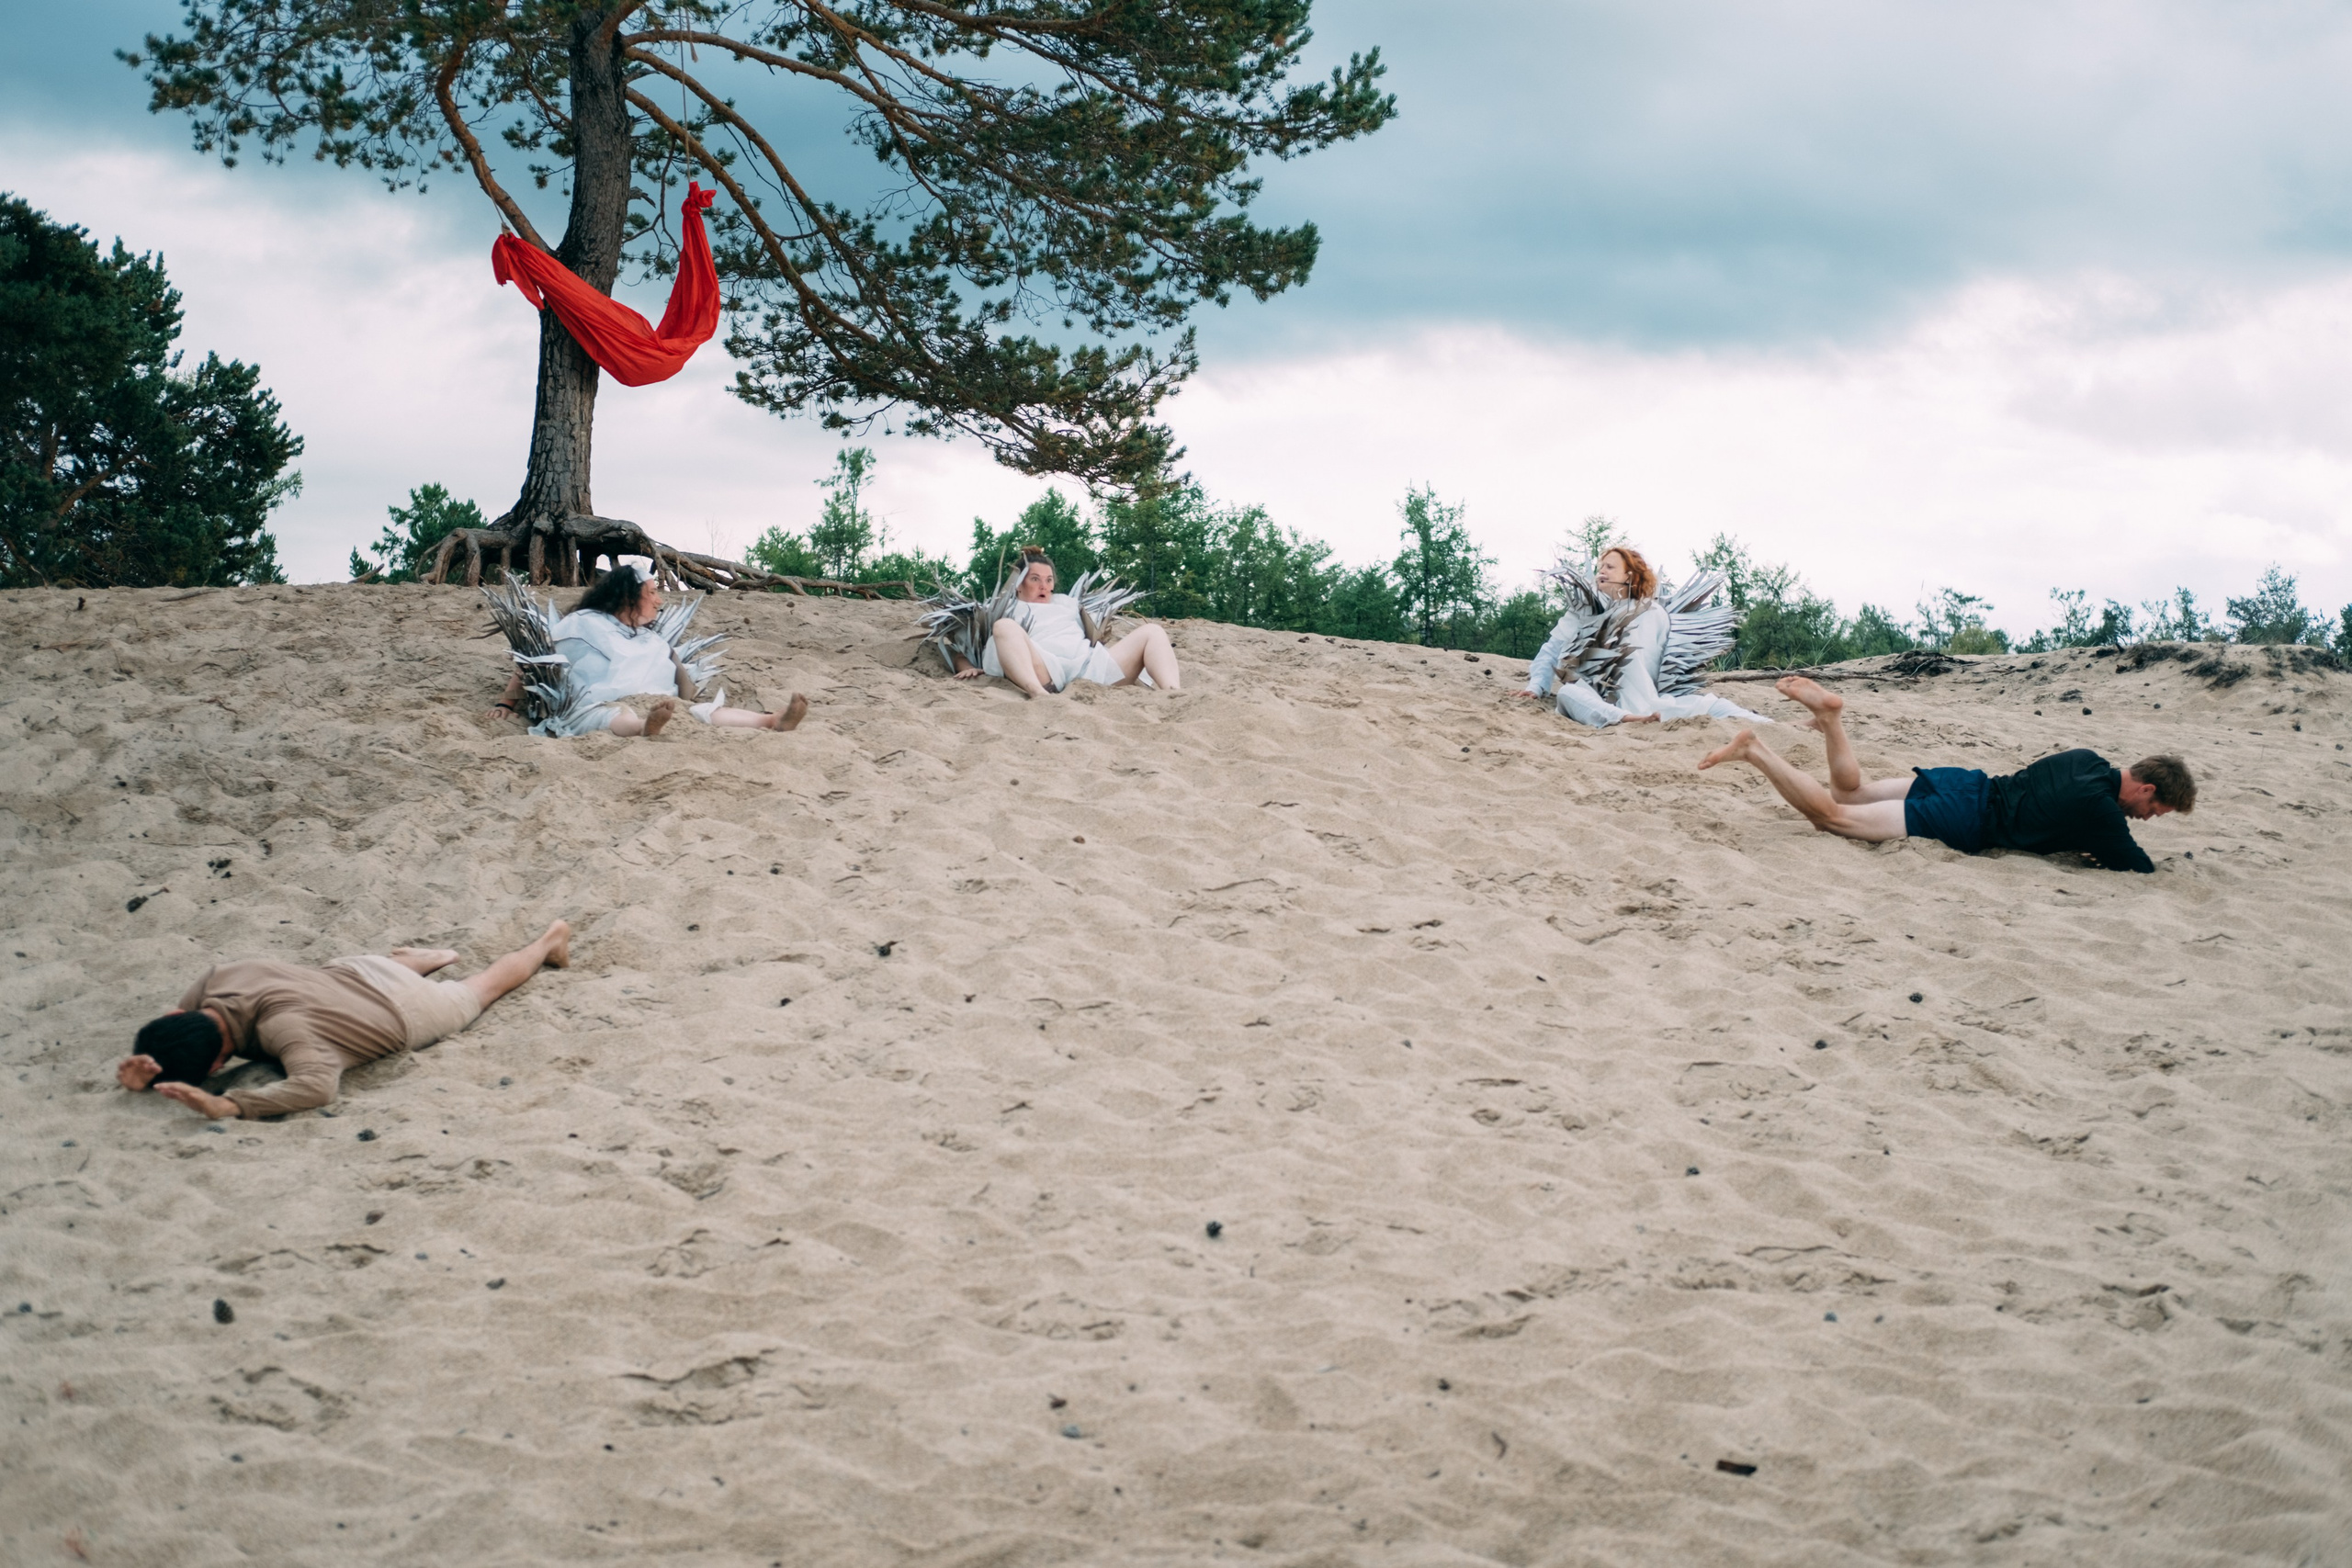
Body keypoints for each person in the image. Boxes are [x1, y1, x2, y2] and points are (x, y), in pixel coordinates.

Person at [1699, 677, 2192, 872]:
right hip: (1963, 817)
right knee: (1833, 817)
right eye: (2154, 808)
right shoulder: (2103, 813)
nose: (2147, 817)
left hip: (1969, 782)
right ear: (2146, 787)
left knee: (1851, 791)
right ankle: (1757, 751)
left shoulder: (2084, 757)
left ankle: (1830, 718)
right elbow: (2138, 865)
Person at [115, 922, 572, 1119]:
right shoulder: (214, 980)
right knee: (337, 978)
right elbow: (176, 1022)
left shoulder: (284, 1032)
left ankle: (548, 941)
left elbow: (317, 1086)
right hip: (358, 969)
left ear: (216, 1067)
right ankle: (432, 957)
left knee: (483, 988)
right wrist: (145, 1065)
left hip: (403, 1010)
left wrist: (230, 1105)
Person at [491, 563, 808, 736]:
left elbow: (685, 691)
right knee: (616, 715)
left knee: (703, 712)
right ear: (628, 596)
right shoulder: (583, 623)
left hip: (657, 702)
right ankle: (644, 728)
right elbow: (535, 661)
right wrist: (507, 702)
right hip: (594, 705)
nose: (658, 600)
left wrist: (680, 679)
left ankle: (770, 721)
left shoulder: (647, 637)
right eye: (652, 592)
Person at [1515, 546, 1770, 727]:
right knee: (1568, 694)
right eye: (1600, 566)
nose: (1601, 571)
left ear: (1629, 575)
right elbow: (1552, 649)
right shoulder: (1585, 611)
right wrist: (1536, 686)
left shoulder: (1654, 613)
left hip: (1650, 699)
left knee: (1705, 703)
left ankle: (1769, 723)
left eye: (1610, 566)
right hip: (1602, 698)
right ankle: (1626, 719)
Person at [949, 548, 1182, 696]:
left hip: (1092, 668)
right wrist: (967, 667)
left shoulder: (1067, 603)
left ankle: (1173, 693)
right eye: (1035, 579)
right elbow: (960, 648)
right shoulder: (1005, 608)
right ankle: (1039, 695)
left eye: (1049, 580)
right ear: (1019, 584)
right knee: (1004, 628)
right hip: (1047, 671)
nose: (1044, 586)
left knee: (1152, 631)